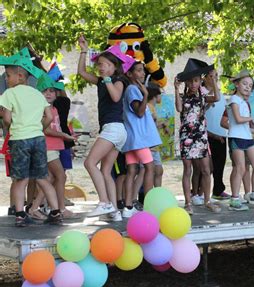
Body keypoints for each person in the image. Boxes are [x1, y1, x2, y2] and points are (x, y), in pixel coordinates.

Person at [0, 49, 61, 226]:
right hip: (38, 139)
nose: (6, 78)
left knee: (21, 179)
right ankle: (56, 212)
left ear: (20, 76)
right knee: (42, 177)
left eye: (8, 75)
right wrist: (38, 128)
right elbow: (49, 117)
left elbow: (6, 118)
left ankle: (20, 214)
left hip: (20, 140)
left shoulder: (9, 94)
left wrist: (10, 126)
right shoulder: (37, 94)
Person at [77, 35, 129, 220]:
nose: (100, 67)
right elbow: (82, 72)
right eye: (98, 64)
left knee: (89, 163)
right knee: (106, 171)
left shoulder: (118, 81)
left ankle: (104, 202)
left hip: (114, 129)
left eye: (104, 64)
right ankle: (114, 211)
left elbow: (116, 97)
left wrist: (107, 79)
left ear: (114, 66)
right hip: (113, 130)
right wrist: (84, 50)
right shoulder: (101, 81)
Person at [175, 58, 221, 214]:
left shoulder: (202, 97)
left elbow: (217, 98)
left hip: (201, 136)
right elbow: (179, 108)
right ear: (186, 83)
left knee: (206, 170)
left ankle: (207, 200)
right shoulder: (183, 97)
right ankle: (188, 203)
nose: (193, 84)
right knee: (187, 170)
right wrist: (176, 89)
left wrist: (213, 80)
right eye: (190, 81)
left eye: (196, 81)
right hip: (186, 137)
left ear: (200, 81)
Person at [28, 74, 77, 220]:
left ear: (57, 93)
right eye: (45, 91)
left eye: (52, 91)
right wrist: (65, 136)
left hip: (53, 147)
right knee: (60, 175)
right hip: (47, 147)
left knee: (49, 178)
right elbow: (47, 130)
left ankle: (35, 207)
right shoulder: (42, 109)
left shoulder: (54, 109)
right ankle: (60, 208)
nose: (49, 93)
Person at [121, 61, 162, 217]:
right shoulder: (133, 89)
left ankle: (128, 207)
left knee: (132, 170)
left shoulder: (131, 89)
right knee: (149, 167)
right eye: (138, 71)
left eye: (143, 70)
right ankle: (149, 205)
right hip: (139, 138)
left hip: (131, 138)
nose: (142, 73)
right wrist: (145, 94)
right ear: (130, 74)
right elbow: (139, 112)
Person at [226, 70, 254, 211]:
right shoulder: (234, 100)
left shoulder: (245, 102)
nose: (247, 87)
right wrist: (251, 118)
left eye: (250, 85)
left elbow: (244, 127)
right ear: (237, 84)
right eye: (244, 84)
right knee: (240, 168)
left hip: (247, 137)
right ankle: (234, 199)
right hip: (236, 138)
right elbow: (238, 120)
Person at [203, 69, 231, 200]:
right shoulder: (202, 93)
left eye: (216, 76)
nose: (214, 79)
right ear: (204, 78)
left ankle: (218, 190)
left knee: (220, 163)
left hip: (221, 133)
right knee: (205, 167)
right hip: (206, 135)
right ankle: (198, 191)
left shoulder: (219, 94)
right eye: (211, 76)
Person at [146, 82, 165, 187]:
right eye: (160, 93)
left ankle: (157, 192)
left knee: (158, 171)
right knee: (153, 171)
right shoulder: (149, 107)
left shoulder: (152, 107)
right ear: (155, 95)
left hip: (154, 145)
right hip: (151, 146)